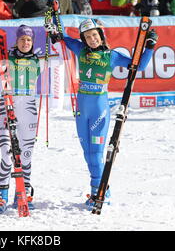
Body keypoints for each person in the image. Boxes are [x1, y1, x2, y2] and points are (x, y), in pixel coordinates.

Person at [45, 18, 158, 209]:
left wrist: (150, 47)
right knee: (87, 153)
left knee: (97, 152)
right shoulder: (80, 49)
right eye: (88, 37)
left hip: (99, 108)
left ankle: (100, 192)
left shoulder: (111, 56)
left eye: (95, 36)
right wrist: (54, 33)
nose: (92, 40)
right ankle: (100, 189)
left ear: (101, 36)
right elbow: (62, 37)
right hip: (82, 108)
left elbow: (138, 66)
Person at [0, 24, 43, 214]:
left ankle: (23, 193)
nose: (26, 42)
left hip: (28, 108)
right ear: (16, 41)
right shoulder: (6, 59)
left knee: (26, 156)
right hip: (8, 107)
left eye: (29, 40)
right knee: (6, 155)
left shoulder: (38, 60)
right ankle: (1, 195)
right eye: (22, 39)